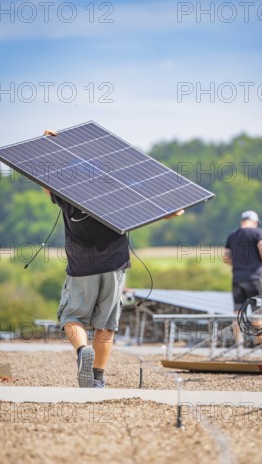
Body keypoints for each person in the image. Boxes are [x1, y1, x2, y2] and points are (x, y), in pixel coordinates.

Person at [43, 129, 184, 388]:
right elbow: (169, 211)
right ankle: (97, 378)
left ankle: (82, 350)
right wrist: (174, 208)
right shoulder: (123, 191)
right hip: (114, 265)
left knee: (72, 318)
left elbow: (44, 180)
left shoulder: (69, 192)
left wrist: (51, 146)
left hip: (80, 266)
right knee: (106, 324)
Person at [223, 210, 262, 349]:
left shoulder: (232, 235)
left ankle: (239, 345)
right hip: (254, 278)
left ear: (242, 221)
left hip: (237, 278)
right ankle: (259, 344)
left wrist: (237, 265)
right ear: (255, 222)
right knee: (258, 312)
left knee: (237, 313)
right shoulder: (258, 233)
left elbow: (225, 256)